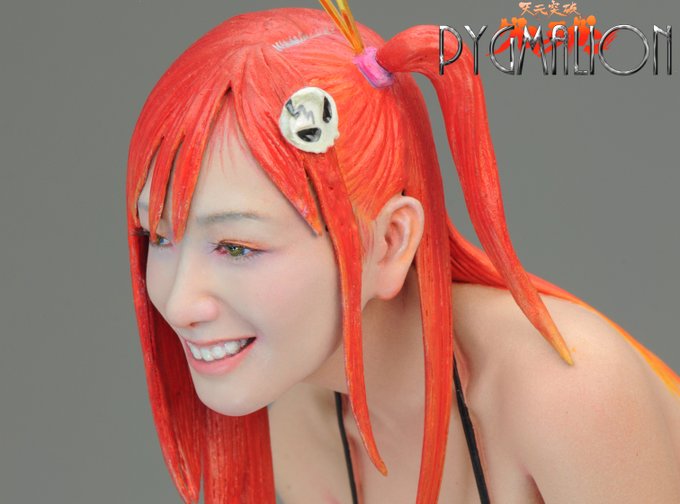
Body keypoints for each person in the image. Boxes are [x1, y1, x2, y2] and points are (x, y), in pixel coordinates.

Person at [126, 4, 680, 503]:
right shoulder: (291, 405)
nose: (178, 304)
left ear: (390, 242)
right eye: (159, 236)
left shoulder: (567, 395)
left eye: (237, 247)